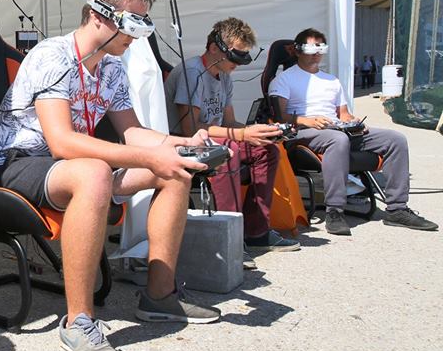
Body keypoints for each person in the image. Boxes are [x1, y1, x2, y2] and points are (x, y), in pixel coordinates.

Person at [0, 0, 221, 351]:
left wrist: (179, 145)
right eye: (131, 23)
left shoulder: (111, 67)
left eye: (144, 24)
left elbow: (133, 132)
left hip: (66, 167)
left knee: (175, 171)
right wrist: (148, 158)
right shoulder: (53, 56)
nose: (137, 36)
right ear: (97, 14)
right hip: (15, 163)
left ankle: (159, 296)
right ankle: (78, 322)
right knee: (93, 171)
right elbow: (62, 142)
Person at [268, 27, 437, 236]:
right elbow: (280, 117)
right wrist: (307, 120)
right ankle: (335, 210)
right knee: (338, 139)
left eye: (321, 47)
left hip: (336, 129)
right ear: (298, 50)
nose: (317, 52)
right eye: (312, 47)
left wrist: (353, 122)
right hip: (302, 132)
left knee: (395, 139)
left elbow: (344, 114)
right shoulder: (284, 79)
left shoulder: (332, 81)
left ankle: (397, 209)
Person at [166, 17, 299, 253]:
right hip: (182, 141)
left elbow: (228, 122)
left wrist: (262, 132)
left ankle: (256, 231)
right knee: (229, 150)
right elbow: (190, 129)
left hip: (211, 138)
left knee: (267, 150)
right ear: (214, 48)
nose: (237, 64)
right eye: (235, 56)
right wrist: (242, 135)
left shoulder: (224, 75)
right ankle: (229, 238)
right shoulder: (193, 73)